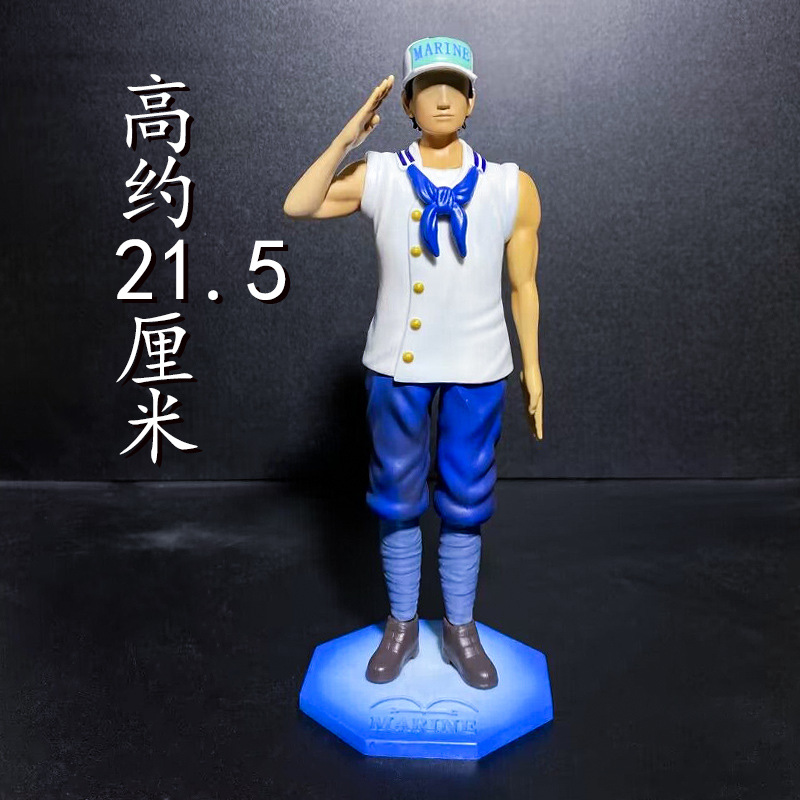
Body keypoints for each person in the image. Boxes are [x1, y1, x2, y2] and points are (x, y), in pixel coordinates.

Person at [284, 36, 542, 690]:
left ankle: (460, 627)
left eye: (455, 86)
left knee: (466, 497)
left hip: (479, 361)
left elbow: (524, 285)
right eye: (427, 88)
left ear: (473, 99)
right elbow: (300, 204)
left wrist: (533, 368)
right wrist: (348, 136)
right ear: (406, 103)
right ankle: (400, 624)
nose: (443, 99)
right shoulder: (382, 175)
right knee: (397, 494)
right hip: (398, 362)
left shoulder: (509, 185)